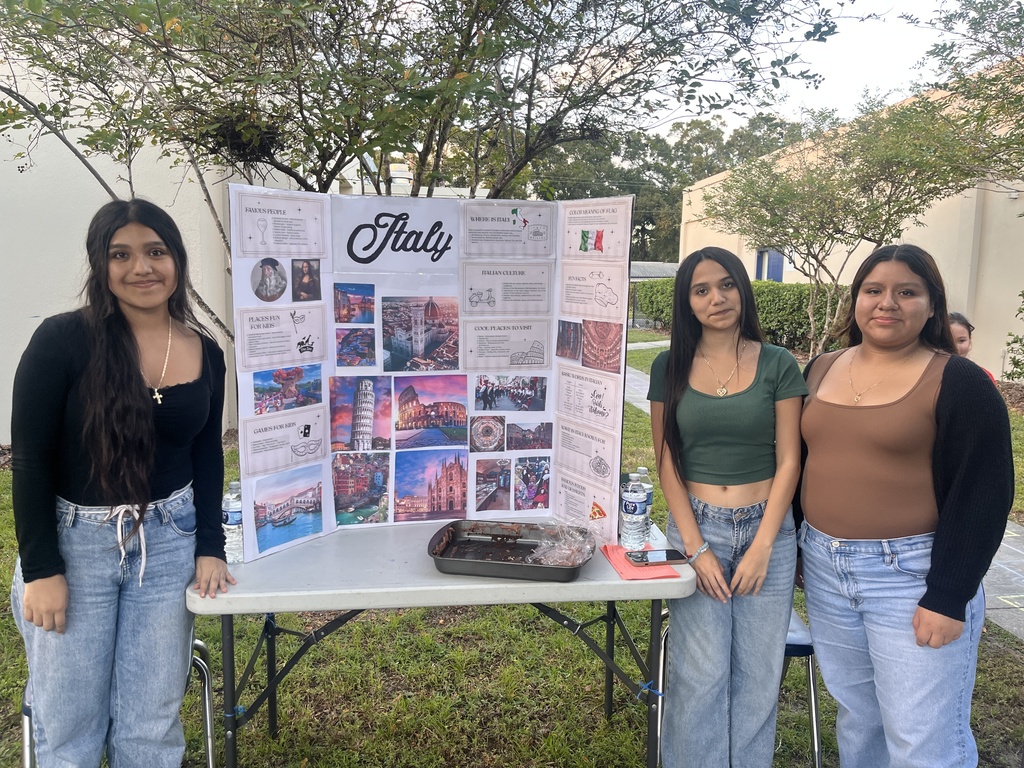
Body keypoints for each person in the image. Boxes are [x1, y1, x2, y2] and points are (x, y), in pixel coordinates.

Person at [10, 199, 236, 767]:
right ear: (101, 265)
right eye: (122, 254)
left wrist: (210, 545)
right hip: (76, 546)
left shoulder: (205, 350)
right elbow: (31, 459)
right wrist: (40, 569)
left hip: (168, 545)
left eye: (156, 251)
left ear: (176, 261)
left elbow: (207, 453)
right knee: (69, 727)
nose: (142, 268)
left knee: (150, 724)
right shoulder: (62, 342)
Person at [797, 244, 1012, 768]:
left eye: (906, 292)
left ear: (932, 305)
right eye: (873, 291)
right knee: (860, 721)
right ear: (856, 301)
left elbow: (985, 493)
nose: (886, 303)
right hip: (826, 569)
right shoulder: (821, 368)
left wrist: (948, 595)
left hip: (911, 577)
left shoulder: (958, 382)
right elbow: (800, 461)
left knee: (923, 741)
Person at [647, 247, 806, 767]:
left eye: (727, 285)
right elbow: (666, 460)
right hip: (698, 528)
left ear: (743, 288)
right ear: (687, 302)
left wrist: (764, 545)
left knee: (758, 675)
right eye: (701, 289)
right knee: (702, 673)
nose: (717, 298)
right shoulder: (669, 366)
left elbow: (789, 461)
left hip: (769, 534)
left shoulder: (779, 363)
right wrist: (695, 549)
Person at [949, 310, 997, 383]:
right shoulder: (930, 374)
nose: (956, 348)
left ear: (970, 340)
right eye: (949, 341)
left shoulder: (984, 376)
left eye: (962, 341)